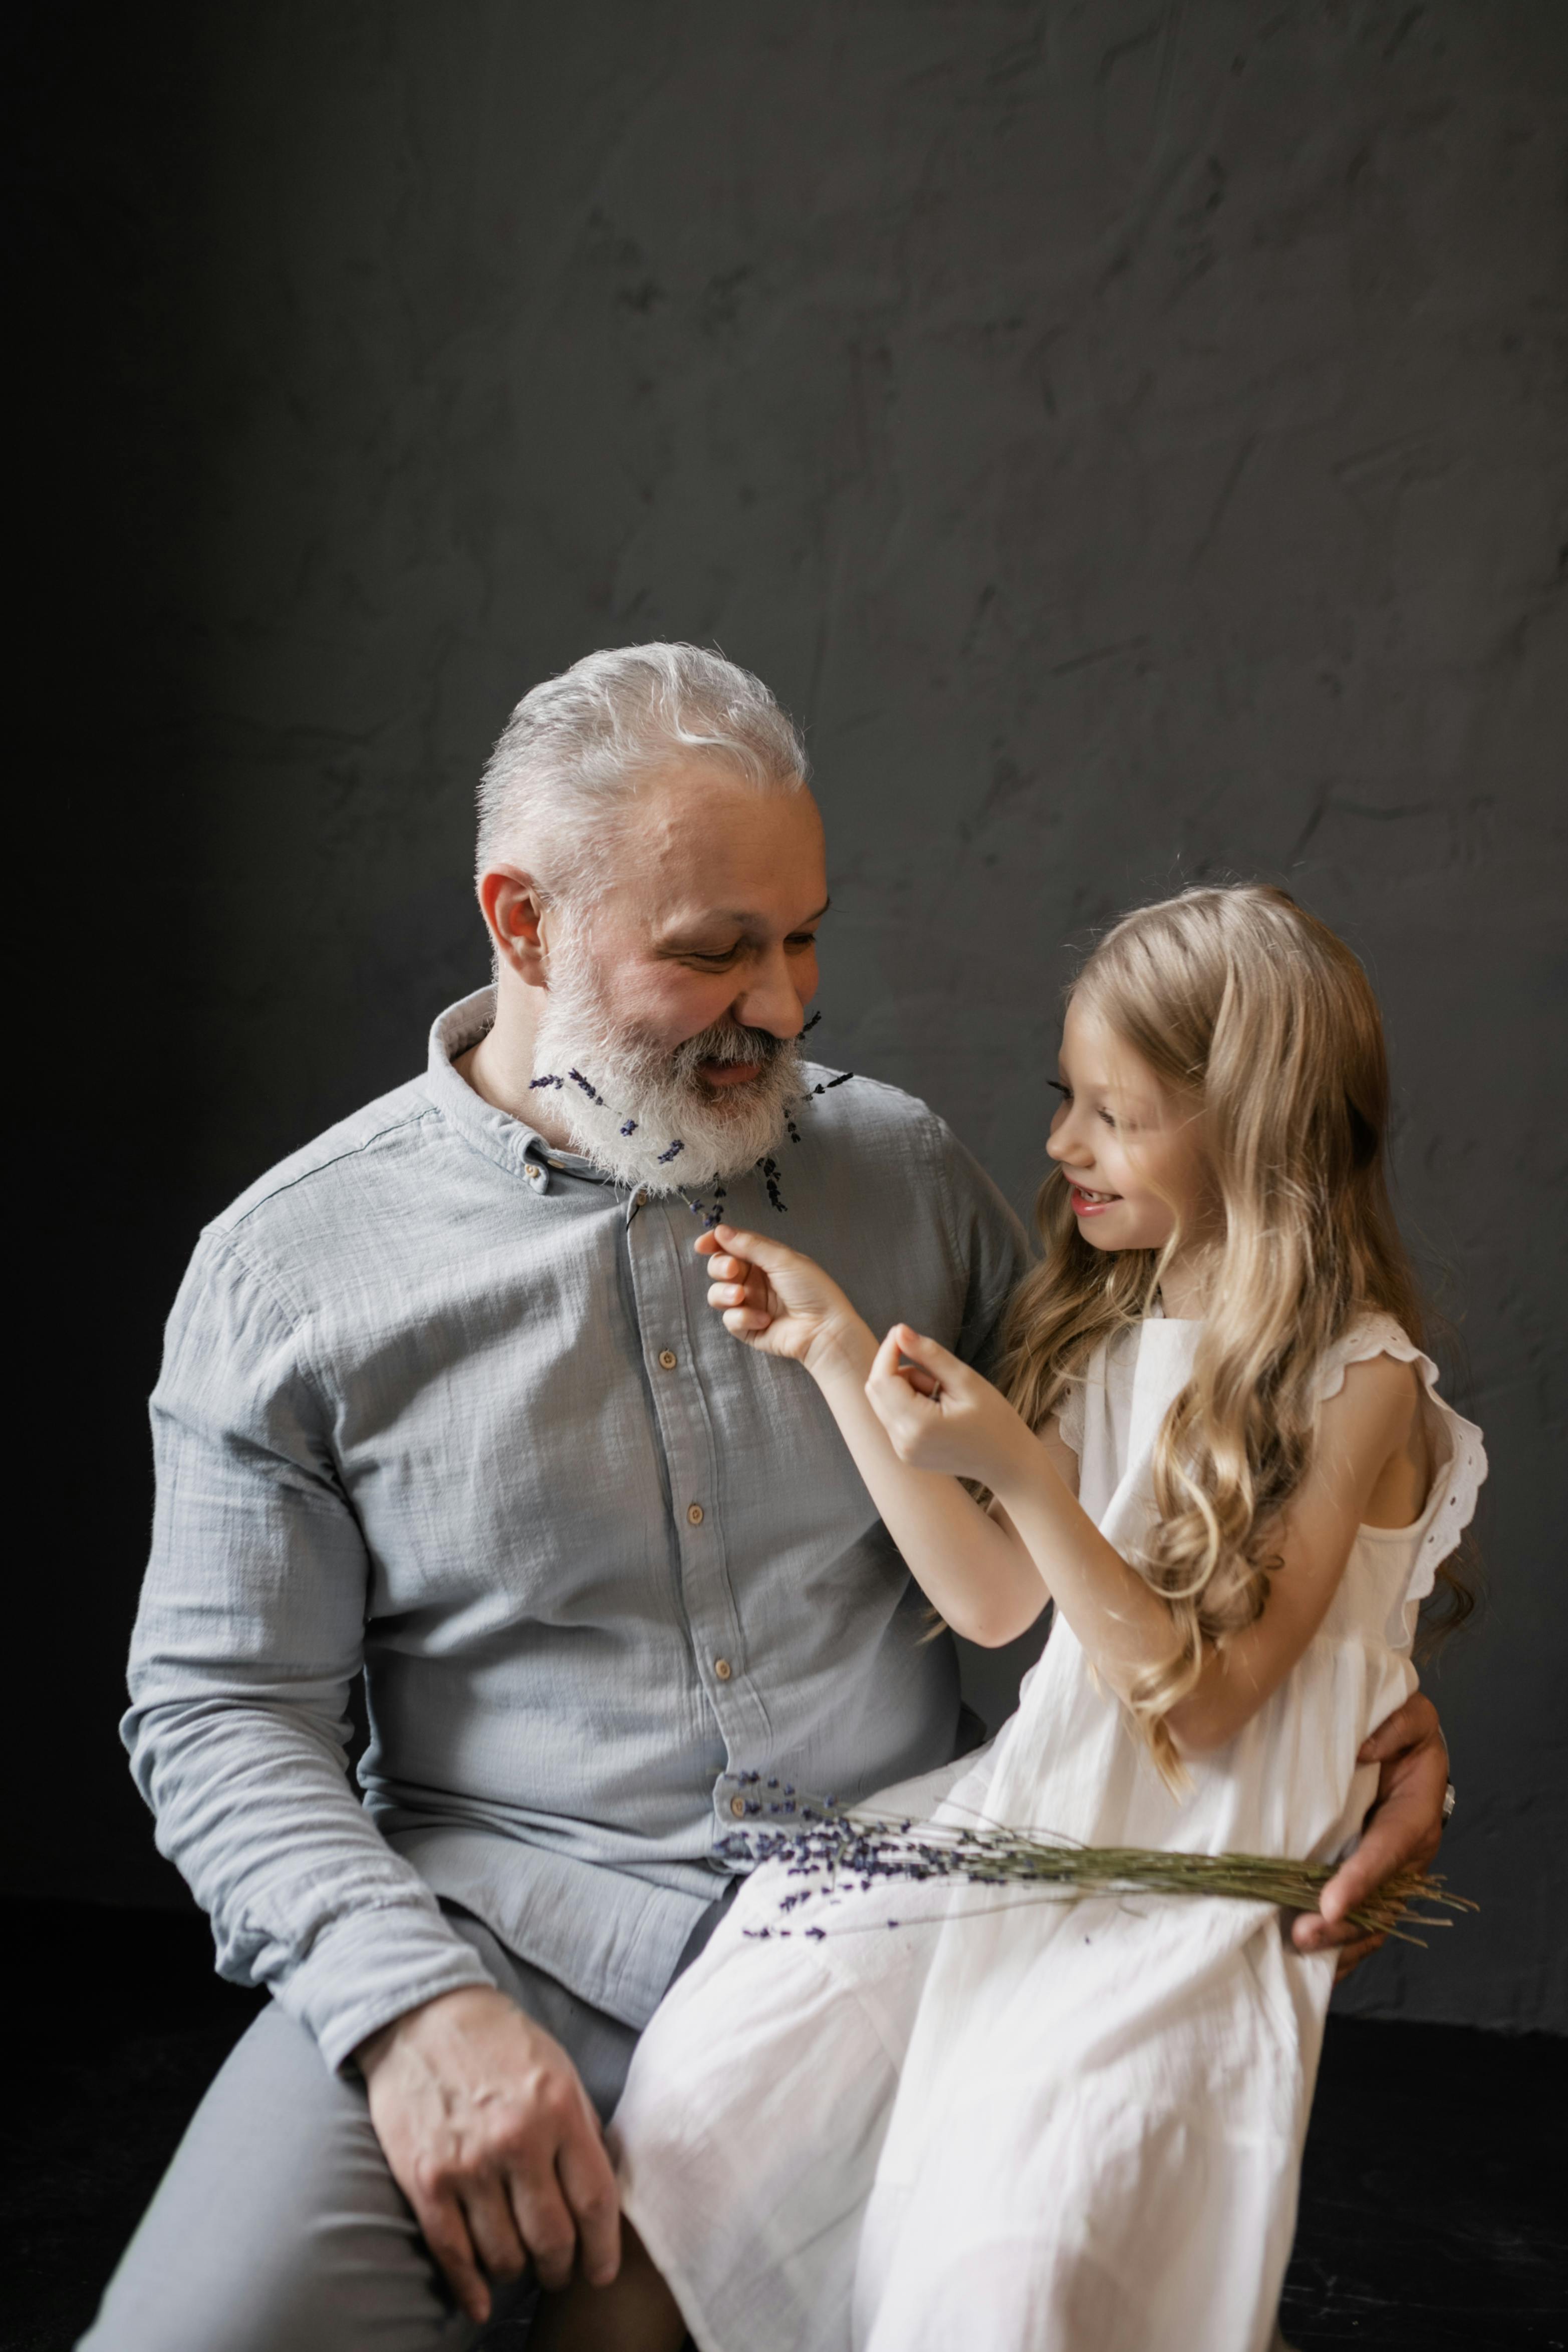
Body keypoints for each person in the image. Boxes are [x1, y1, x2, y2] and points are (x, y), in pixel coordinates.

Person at [84, 650, 1451, 2352]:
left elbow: (1178, 1486)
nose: (788, 1002)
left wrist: (1373, 1706)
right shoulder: (291, 1270)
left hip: (915, 1909)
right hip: (500, 1938)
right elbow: (220, 1716)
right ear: (523, 925)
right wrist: (406, 2010)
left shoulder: (910, 1175)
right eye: (715, 949)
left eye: (802, 936)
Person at [545, 883, 1484, 2352]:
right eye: (1068, 1100)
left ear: (1252, 1130)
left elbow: (1203, 1704)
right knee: (715, 2086)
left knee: (1009, 2264)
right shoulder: (1110, 1321)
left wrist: (1022, 1475)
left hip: (1177, 1888)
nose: (1061, 1147)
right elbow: (992, 1601)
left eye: (1112, 1115)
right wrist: (838, 1356)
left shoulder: (1358, 1381)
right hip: (1029, 1820)